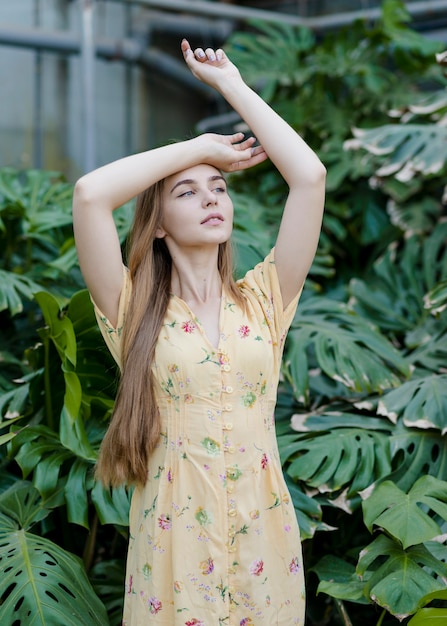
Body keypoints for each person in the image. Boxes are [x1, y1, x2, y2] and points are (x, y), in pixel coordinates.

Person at [73, 38, 325, 626]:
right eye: (187, 192)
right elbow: (90, 196)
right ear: (158, 223)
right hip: (174, 549)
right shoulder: (132, 308)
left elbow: (309, 178)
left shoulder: (265, 298)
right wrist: (197, 148)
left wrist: (232, 87)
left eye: (220, 188)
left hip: (264, 542)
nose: (212, 199)